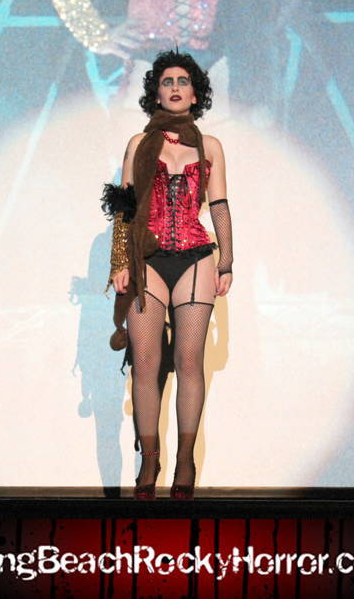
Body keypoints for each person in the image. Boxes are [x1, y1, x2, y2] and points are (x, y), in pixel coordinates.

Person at [101, 50, 233, 499]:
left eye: (183, 81)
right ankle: (149, 460)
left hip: (195, 256)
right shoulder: (140, 143)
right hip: (148, 258)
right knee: (145, 362)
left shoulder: (210, 146)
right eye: (166, 81)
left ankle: (185, 460)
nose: (175, 88)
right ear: (155, 93)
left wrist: (227, 261)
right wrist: (119, 262)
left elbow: (219, 205)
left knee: (190, 360)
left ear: (196, 94)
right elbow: (125, 206)